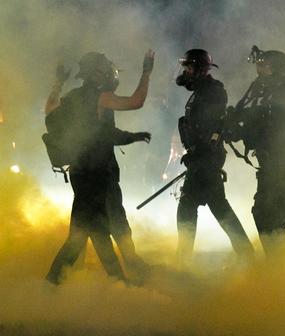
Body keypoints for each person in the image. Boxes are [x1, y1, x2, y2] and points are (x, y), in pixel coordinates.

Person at [46, 50, 155, 284]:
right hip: (99, 176)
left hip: (79, 173)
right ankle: (48, 288)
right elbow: (137, 102)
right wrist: (146, 72)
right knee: (93, 234)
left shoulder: (72, 97)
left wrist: (58, 81)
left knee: (97, 231)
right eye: (105, 68)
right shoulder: (100, 97)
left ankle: (119, 281)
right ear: (97, 73)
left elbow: (49, 111)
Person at [228, 46, 285, 261]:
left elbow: (272, 126)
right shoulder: (269, 94)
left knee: (268, 214)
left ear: (276, 69)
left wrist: (244, 127)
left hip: (282, 164)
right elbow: (256, 119)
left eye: (263, 67)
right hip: (272, 164)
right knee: (266, 214)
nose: (259, 72)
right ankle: (278, 266)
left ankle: (279, 271)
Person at [175, 49, 254, 267]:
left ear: (200, 69)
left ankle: (184, 262)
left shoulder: (213, 91)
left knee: (204, 209)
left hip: (207, 161)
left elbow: (212, 129)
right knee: (211, 208)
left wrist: (200, 156)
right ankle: (247, 256)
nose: (186, 72)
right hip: (201, 160)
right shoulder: (201, 92)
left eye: (189, 67)